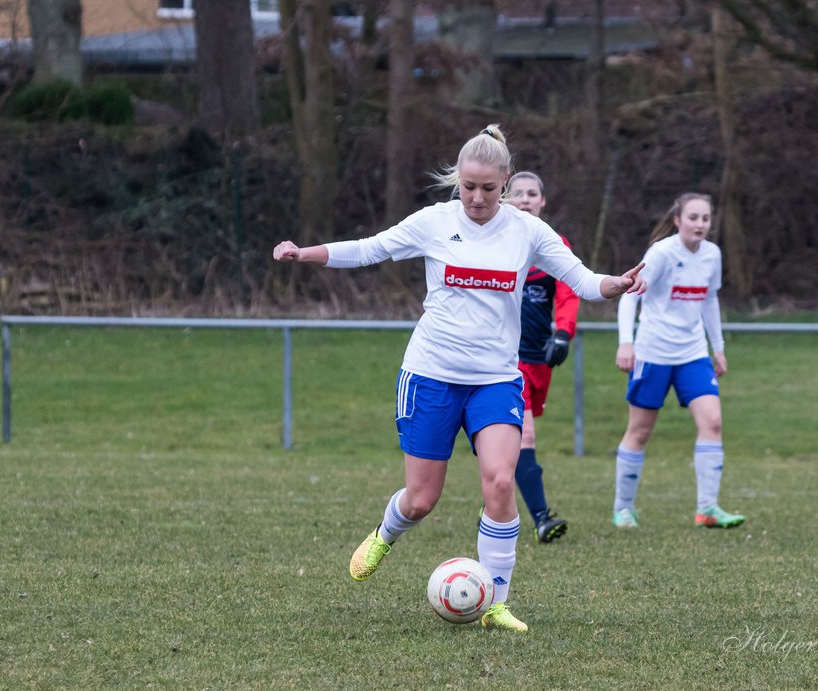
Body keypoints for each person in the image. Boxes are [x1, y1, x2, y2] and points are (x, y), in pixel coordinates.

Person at [272, 125, 646, 632]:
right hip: (430, 375)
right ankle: (386, 531)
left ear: (507, 184)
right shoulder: (434, 222)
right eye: (468, 187)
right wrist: (305, 253)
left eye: (488, 189)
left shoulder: (530, 232)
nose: (476, 197)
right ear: (458, 181)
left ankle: (495, 602)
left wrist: (618, 284)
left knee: (499, 482)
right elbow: (369, 249)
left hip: (495, 380)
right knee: (422, 499)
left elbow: (582, 280)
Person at [611, 192, 744, 530]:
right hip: (653, 353)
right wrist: (627, 343)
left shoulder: (712, 254)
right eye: (693, 217)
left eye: (705, 219)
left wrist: (718, 347)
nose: (700, 224)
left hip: (693, 355)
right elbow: (630, 296)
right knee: (640, 431)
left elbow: (710, 299)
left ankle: (708, 509)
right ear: (677, 220)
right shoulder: (661, 253)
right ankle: (623, 508)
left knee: (713, 422)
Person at [507, 171, 580, 544]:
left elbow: (569, 291)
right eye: (516, 193)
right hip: (503, 359)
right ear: (504, 198)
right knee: (523, 436)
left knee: (509, 443)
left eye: (531, 193)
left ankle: (496, 504)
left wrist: (564, 333)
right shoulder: (494, 239)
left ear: (542, 201)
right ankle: (540, 518)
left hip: (539, 359)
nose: (524, 199)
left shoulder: (553, 244)